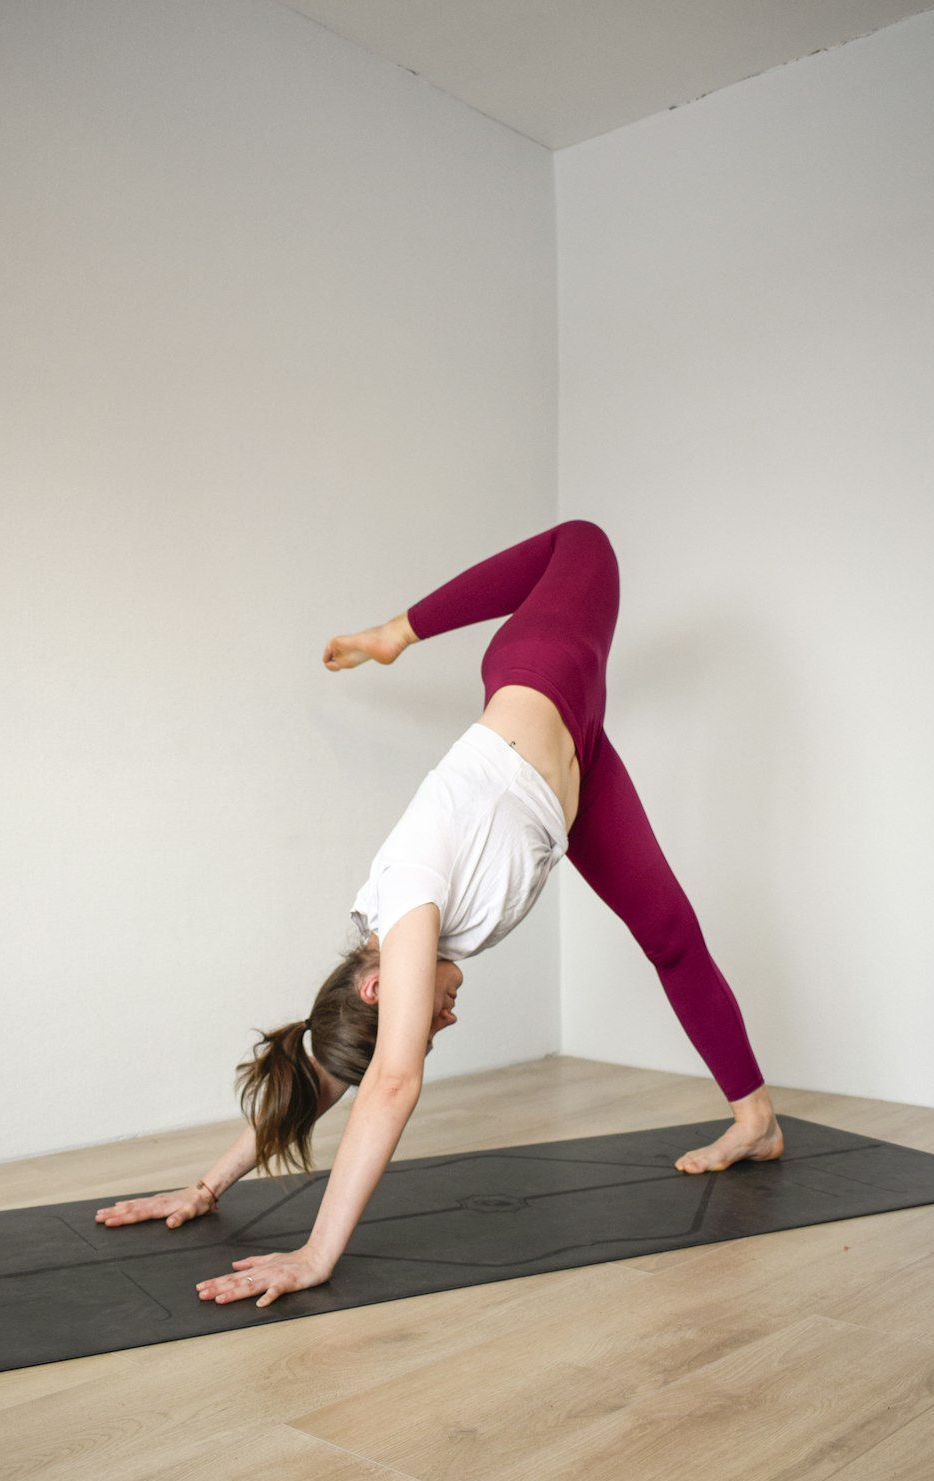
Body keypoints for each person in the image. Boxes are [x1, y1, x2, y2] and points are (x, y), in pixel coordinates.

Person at [95, 520, 783, 1308]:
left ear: (381, 990)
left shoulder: (411, 897)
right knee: (671, 938)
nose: (445, 1020)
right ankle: (756, 1121)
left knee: (583, 540)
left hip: (543, 670)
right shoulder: (385, 970)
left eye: (427, 1021)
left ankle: (394, 633)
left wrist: (319, 1251)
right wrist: (206, 1185)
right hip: (576, 768)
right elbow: (331, 1069)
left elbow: (391, 1082)